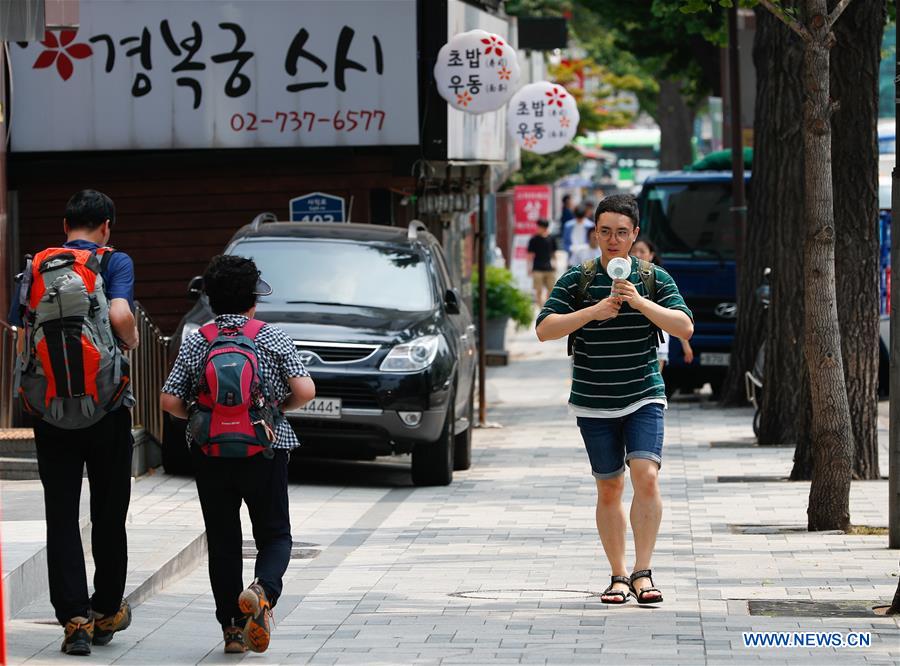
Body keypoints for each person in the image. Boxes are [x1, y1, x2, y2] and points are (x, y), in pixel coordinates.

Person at [535, 194, 694, 606]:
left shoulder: (654, 277)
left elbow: (684, 327)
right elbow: (544, 329)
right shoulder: (577, 279)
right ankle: (618, 576)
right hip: (593, 398)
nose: (613, 239)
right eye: (605, 231)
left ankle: (643, 572)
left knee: (647, 476)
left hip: (644, 394)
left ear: (635, 234)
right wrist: (592, 312)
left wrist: (639, 302)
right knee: (609, 487)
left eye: (622, 232)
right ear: (595, 233)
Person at [160, 254, 315, 654]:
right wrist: (275, 412)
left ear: (209, 298)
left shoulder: (199, 338)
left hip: (210, 452)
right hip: (265, 447)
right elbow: (305, 391)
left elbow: (169, 399)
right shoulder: (272, 336)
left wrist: (199, 418)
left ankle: (232, 631)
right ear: (253, 298)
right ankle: (263, 591)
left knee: (224, 540)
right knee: (275, 534)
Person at [8, 190, 139, 655]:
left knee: (61, 514)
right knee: (109, 510)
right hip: (106, 406)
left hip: (49, 408)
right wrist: (131, 340)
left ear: (65, 225)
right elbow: (121, 314)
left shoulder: (35, 268)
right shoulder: (113, 261)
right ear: (107, 225)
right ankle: (106, 610)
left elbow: (23, 332)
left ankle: (74, 621)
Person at [631, 238, 694, 371]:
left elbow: (676, 314)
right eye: (634, 250)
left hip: (659, 340)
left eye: (642, 251)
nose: (637, 254)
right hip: (633, 341)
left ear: (651, 255)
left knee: (654, 379)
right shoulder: (623, 278)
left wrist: (685, 344)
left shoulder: (660, 279)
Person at [527, 219, 557, 307]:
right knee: (538, 290)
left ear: (544, 228)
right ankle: (540, 307)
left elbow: (553, 253)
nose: (537, 228)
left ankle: (547, 306)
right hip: (537, 268)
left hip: (549, 267)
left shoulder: (551, 238)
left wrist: (555, 263)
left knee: (551, 289)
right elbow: (530, 255)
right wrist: (529, 268)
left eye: (539, 227)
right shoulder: (534, 239)